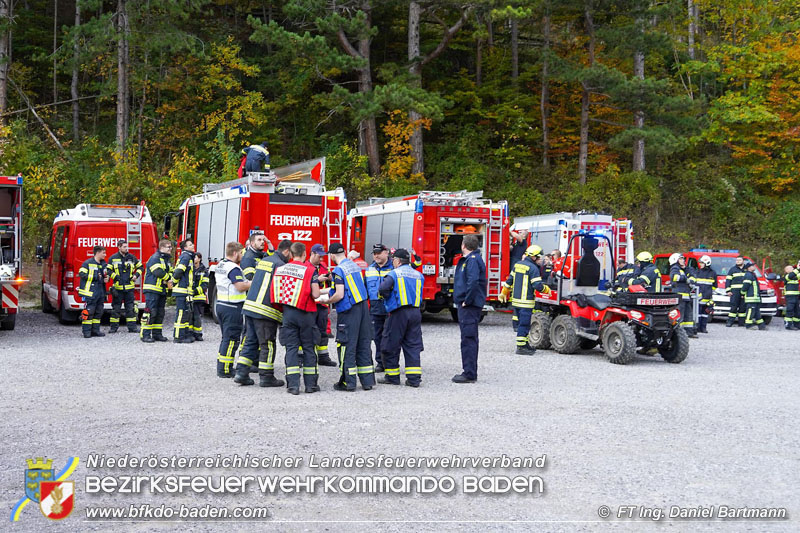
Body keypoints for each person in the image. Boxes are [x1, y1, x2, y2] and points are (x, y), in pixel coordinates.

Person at [233, 239, 292, 387]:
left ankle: (241, 373)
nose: (291, 257)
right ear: (286, 251)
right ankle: (267, 377)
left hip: (251, 306)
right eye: (290, 254)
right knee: (267, 344)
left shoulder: (265, 260)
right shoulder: (281, 265)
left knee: (250, 341)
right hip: (265, 310)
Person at [271, 242, 321, 395]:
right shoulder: (310, 270)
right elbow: (316, 295)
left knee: (291, 348)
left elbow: (275, 293)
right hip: (306, 314)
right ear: (305, 254)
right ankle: (310, 385)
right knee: (309, 348)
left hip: (288, 313)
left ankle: (293, 386)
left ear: (291, 254)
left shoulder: (281, 269)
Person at [324, 242, 374, 391]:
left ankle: (348, 382)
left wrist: (328, 301)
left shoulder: (338, 270)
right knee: (363, 344)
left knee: (346, 345)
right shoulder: (354, 266)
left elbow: (339, 294)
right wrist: (321, 292)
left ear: (332, 255)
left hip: (349, 310)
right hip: (363, 308)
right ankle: (367, 382)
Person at [378, 248, 424, 387]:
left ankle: (392, 377)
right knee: (413, 345)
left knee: (390, 344)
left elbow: (382, 289)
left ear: (397, 261)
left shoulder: (394, 274)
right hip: (415, 313)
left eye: (393, 260)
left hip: (398, 313)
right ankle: (414, 379)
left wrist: (387, 300)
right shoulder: (418, 274)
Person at [499, 245, 549, 355]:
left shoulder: (517, 265)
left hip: (516, 301)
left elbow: (509, 281)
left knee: (520, 323)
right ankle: (521, 347)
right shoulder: (533, 268)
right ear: (534, 257)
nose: (541, 260)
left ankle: (525, 344)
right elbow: (537, 285)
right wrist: (547, 289)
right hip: (526, 302)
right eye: (540, 257)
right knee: (524, 324)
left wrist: (504, 292)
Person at [452, 234, 486, 383]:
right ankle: (469, 371)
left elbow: (473, 281)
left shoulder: (472, 260)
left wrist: (467, 300)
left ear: (463, 245)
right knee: (468, 338)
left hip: (469, 306)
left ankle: (469, 373)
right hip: (469, 304)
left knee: (468, 338)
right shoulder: (472, 259)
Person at [215, 242, 252, 377]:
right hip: (232, 306)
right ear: (235, 253)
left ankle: (223, 366)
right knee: (231, 339)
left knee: (226, 338)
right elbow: (240, 286)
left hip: (222, 304)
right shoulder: (233, 268)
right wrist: (254, 283)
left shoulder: (221, 264)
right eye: (241, 253)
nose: (242, 255)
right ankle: (225, 370)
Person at [365, 243, 393, 373]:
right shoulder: (370, 269)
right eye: (374, 253)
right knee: (377, 336)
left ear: (386, 253)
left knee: (390, 336)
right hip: (375, 306)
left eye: (379, 253)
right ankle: (380, 363)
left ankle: (390, 362)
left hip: (390, 305)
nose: (376, 255)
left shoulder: (394, 268)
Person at [308, 244, 337, 367]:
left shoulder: (323, 267)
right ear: (312, 254)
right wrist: (317, 280)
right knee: (308, 331)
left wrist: (330, 277)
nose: (321, 259)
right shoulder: (306, 267)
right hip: (310, 304)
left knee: (323, 331)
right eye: (319, 256)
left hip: (323, 304)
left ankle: (323, 356)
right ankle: (304, 357)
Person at [141, 239, 173, 343]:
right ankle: (145, 334)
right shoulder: (155, 258)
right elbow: (158, 272)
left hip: (161, 290)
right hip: (152, 290)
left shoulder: (166, 260)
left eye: (171, 247)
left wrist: (171, 278)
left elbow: (171, 271)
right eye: (168, 247)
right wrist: (169, 278)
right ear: (162, 248)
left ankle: (157, 334)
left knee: (160, 313)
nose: (171, 249)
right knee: (150, 312)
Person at [107, 239, 142, 333]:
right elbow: (108, 270)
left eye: (127, 246)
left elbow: (140, 267)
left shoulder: (131, 257)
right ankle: (113, 328)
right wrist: (115, 277)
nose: (126, 248)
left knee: (130, 309)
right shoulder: (113, 258)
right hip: (118, 288)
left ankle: (132, 328)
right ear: (119, 247)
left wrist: (136, 275)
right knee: (116, 309)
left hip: (129, 288)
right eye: (124, 247)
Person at [78, 245, 109, 338]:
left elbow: (105, 275)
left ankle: (95, 330)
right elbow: (82, 273)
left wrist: (106, 278)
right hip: (90, 293)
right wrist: (96, 277)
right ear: (98, 252)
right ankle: (86, 332)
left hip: (100, 292)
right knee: (89, 312)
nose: (105, 254)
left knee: (99, 312)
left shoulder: (103, 264)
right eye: (103, 253)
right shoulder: (87, 263)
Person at [171, 239, 195, 344]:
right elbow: (178, 272)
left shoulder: (188, 257)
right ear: (185, 248)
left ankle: (184, 334)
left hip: (185, 291)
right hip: (182, 290)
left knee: (185, 313)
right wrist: (174, 282)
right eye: (190, 245)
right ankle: (178, 337)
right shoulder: (186, 257)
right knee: (181, 313)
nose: (193, 245)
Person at [668, 253, 697, 338]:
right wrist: (686, 279)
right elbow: (675, 277)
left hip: (686, 296)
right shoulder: (674, 268)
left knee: (688, 315)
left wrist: (687, 276)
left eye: (683, 259)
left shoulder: (685, 269)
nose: (683, 260)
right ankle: (678, 334)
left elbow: (693, 279)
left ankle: (689, 333)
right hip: (679, 296)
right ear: (675, 260)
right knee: (679, 315)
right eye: (680, 259)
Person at [693, 255, 717, 334]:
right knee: (698, 313)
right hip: (699, 297)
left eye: (702, 263)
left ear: (707, 263)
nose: (700, 264)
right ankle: (697, 327)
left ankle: (703, 328)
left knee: (705, 314)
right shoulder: (697, 272)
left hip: (707, 297)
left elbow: (714, 286)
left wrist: (710, 294)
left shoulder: (712, 273)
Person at [741, 261, 765, 330]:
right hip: (751, 297)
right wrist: (742, 293)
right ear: (749, 268)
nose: (754, 267)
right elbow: (745, 286)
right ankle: (748, 325)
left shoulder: (752, 274)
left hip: (755, 297)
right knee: (750, 311)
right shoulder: (748, 275)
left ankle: (761, 325)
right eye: (752, 266)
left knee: (757, 311)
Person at [191, 252, 209, 341]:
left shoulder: (204, 270)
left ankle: (198, 334)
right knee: (190, 316)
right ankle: (190, 333)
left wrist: (194, 291)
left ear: (199, 259)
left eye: (196, 257)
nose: (194, 259)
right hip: (190, 297)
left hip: (199, 297)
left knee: (197, 317)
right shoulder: (190, 269)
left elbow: (205, 284)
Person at [725, 256, 747, 327]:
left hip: (744, 292)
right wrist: (728, 290)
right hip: (734, 292)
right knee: (733, 307)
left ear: (743, 261)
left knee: (743, 307)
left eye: (739, 260)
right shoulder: (732, 269)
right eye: (737, 260)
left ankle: (741, 323)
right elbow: (728, 280)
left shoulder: (746, 270)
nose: (738, 261)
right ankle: (730, 322)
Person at [783, 262, 800, 330]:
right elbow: (792, 275)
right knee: (790, 310)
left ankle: (797, 325)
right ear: (787, 270)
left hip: (795, 296)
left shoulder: (794, 277)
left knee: (797, 311)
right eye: (791, 268)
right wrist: (798, 268)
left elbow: (797, 275)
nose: (793, 268)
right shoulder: (787, 276)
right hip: (790, 296)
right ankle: (788, 325)